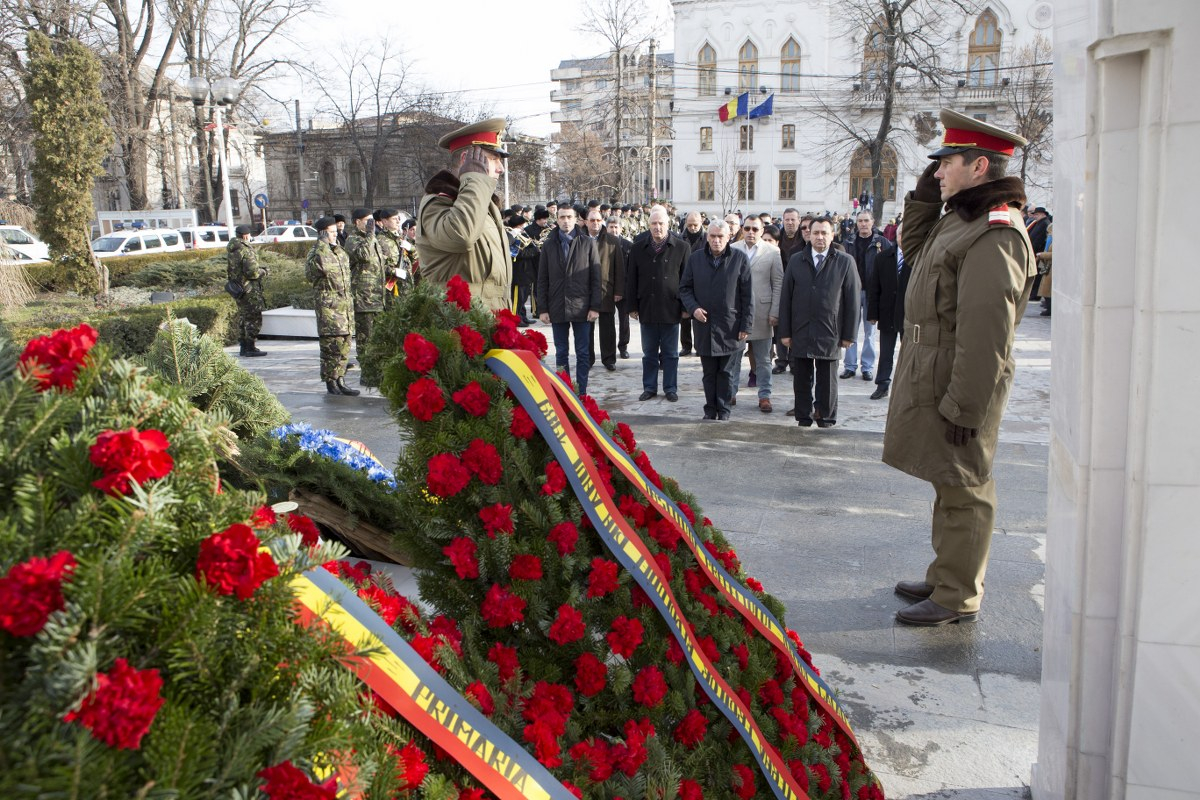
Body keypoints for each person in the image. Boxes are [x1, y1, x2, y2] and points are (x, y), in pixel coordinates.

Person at [883, 109, 1038, 626]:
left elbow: (986, 333)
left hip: (961, 374)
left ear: (978, 168)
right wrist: (926, 199)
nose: (938, 171)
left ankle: (957, 595)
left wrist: (965, 406)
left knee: (966, 483)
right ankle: (945, 572)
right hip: (935, 366)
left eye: (947, 163)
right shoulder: (962, 216)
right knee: (946, 478)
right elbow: (916, 253)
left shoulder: (996, 232)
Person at [416, 118, 512, 312]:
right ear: (466, 160)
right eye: (493, 158)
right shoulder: (439, 201)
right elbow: (461, 237)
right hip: (459, 325)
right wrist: (475, 180)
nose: (500, 168)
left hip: (490, 318)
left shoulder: (482, 202)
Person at [779, 217, 859, 427]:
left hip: (829, 330)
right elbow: (786, 298)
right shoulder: (796, 260)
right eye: (816, 233)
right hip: (801, 329)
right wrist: (785, 332)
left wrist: (849, 334)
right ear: (808, 235)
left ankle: (826, 416)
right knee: (802, 378)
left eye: (824, 233)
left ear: (832, 235)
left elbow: (852, 300)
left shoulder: (844, 261)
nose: (820, 237)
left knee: (827, 381)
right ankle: (803, 416)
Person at [680, 220, 752, 421]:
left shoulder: (739, 259)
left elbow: (747, 295)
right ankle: (710, 410)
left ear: (729, 237)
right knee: (709, 373)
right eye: (712, 236)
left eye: (720, 236)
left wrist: (746, 324)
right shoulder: (695, 259)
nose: (716, 240)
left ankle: (724, 410)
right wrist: (693, 308)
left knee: (726, 373)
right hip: (704, 325)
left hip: (731, 326)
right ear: (707, 237)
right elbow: (685, 288)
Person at [626, 206, 689, 402]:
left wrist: (686, 308)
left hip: (672, 308)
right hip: (647, 308)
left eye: (661, 223)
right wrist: (632, 307)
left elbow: (687, 280)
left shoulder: (681, 247)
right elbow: (631, 279)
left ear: (667, 224)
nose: (657, 227)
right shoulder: (637, 248)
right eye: (653, 223)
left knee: (671, 353)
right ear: (648, 225)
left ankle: (670, 388)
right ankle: (650, 387)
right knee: (649, 353)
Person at [536, 205, 601, 395]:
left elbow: (596, 278)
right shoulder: (549, 244)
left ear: (576, 219)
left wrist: (595, 306)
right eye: (562, 217)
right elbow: (542, 279)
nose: (566, 221)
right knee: (561, 352)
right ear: (557, 219)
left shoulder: (587, 242)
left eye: (569, 217)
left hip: (582, 307)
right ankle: (563, 392)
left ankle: (581, 393)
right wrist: (543, 308)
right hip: (557, 306)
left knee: (582, 353)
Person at [731, 216, 783, 412]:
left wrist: (775, 310)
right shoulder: (734, 248)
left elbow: (778, 283)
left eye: (755, 229)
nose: (751, 232)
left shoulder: (773, 251)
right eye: (747, 228)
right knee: (734, 356)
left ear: (762, 231)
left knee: (763, 358)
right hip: (737, 312)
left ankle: (765, 395)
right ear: (742, 229)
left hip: (763, 311)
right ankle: (731, 391)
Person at [306, 216, 359, 396]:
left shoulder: (340, 252)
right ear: (322, 233)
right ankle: (331, 381)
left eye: (336, 232)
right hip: (329, 309)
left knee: (344, 346)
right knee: (331, 348)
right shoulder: (316, 253)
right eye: (331, 232)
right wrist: (322, 245)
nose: (336, 235)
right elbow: (320, 270)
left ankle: (341, 379)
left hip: (345, 309)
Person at [841, 211, 891, 381]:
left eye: (866, 221)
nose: (863, 224)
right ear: (856, 223)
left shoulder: (882, 242)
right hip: (852, 292)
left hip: (872, 293)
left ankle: (867, 367)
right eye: (860, 221)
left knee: (870, 333)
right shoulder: (848, 242)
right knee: (850, 329)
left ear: (873, 222)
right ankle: (849, 366)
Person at [866, 223, 910, 400]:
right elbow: (874, 287)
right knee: (885, 352)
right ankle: (882, 384)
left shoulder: (919, 258)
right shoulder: (883, 257)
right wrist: (872, 313)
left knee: (908, 354)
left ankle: (906, 387)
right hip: (887, 313)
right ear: (896, 237)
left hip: (909, 314)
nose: (903, 238)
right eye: (901, 235)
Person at [583, 208, 625, 371]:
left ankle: (609, 358)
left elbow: (619, 268)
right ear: (586, 222)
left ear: (602, 222)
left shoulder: (612, 241)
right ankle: (588, 358)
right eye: (592, 220)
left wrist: (619, 291)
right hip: (585, 291)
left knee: (607, 328)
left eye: (598, 220)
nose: (595, 223)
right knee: (587, 328)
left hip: (606, 290)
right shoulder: (580, 239)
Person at [344, 207, 385, 362]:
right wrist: (370, 234)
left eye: (371, 221)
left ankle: (377, 368)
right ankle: (368, 373)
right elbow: (365, 256)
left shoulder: (372, 238)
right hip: (364, 297)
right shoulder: (352, 239)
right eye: (367, 221)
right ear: (357, 222)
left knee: (378, 338)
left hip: (377, 296)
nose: (371, 224)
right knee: (366, 338)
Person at [227, 224, 268, 357]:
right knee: (253, 317)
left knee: (244, 317)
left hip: (238, 288)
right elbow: (253, 272)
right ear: (245, 235)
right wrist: (264, 271)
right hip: (249, 289)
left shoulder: (233, 249)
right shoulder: (245, 250)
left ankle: (244, 347)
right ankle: (250, 347)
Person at [607, 216, 633, 358]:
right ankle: (609, 350)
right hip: (607, 290)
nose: (614, 229)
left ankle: (623, 346)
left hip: (624, 288)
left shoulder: (628, 245)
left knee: (624, 320)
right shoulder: (602, 244)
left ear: (621, 228)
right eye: (611, 227)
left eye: (616, 227)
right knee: (608, 321)